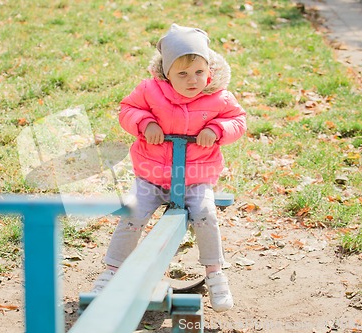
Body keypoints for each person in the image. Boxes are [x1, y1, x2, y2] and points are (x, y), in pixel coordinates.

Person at [92, 23, 246, 312]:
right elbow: (127, 109)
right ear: (167, 72)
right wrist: (145, 123)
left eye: (199, 72)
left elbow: (238, 121)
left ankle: (215, 273)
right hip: (152, 176)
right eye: (183, 74)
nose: (193, 80)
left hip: (195, 177)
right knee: (132, 212)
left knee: (205, 214)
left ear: (209, 69)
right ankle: (112, 270)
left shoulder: (219, 97)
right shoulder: (151, 91)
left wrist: (217, 129)